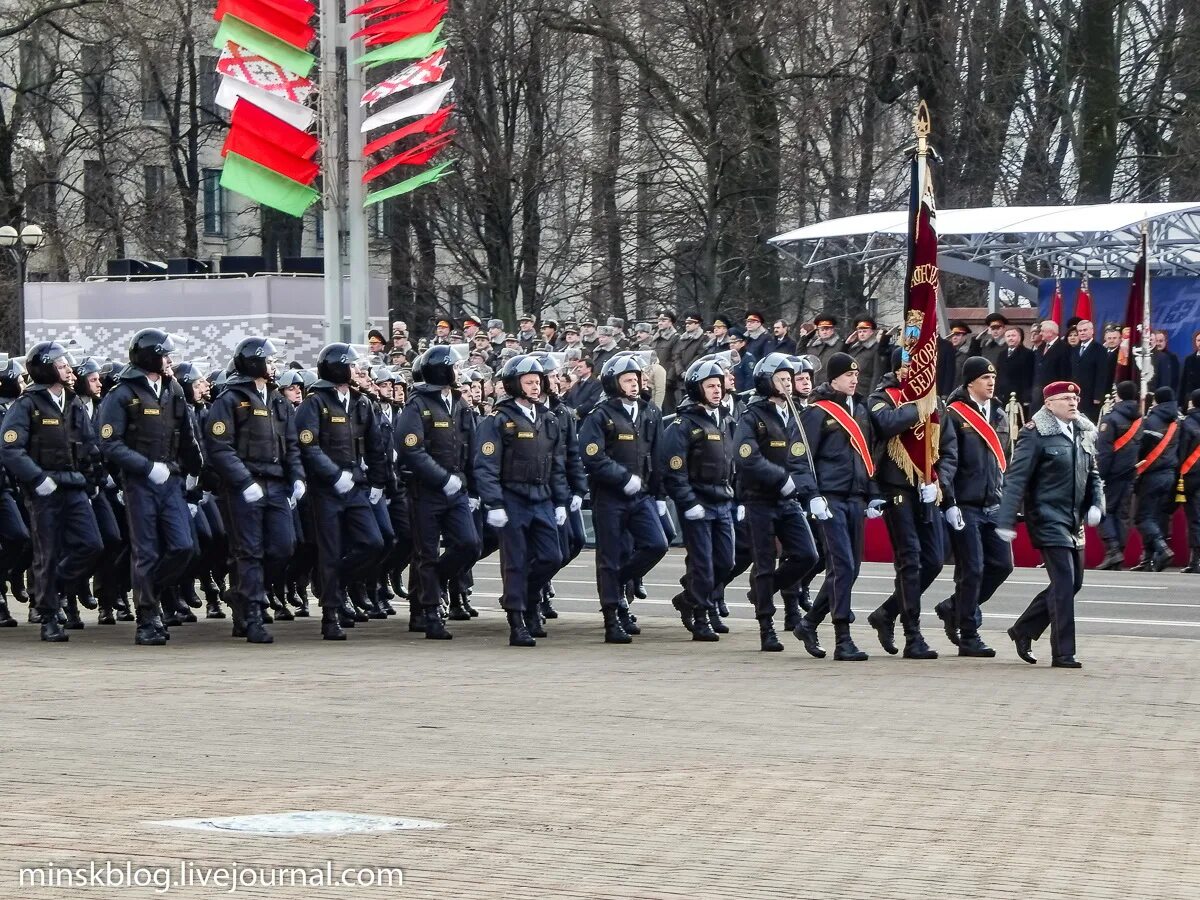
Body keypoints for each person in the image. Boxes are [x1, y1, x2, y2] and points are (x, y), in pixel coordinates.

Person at [99, 329, 204, 645]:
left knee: (184, 547)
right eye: (165, 354)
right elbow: (109, 443)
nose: (171, 360)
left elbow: (186, 434)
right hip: (140, 483)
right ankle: (147, 618)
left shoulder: (172, 389)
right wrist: (145, 467)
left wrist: (198, 472)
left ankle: (149, 593)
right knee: (146, 552)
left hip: (171, 481)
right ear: (150, 357)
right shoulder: (122, 394)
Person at [1, 342, 104, 642]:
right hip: (44, 490)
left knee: (92, 545)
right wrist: (35, 478)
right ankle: (49, 617)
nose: (68, 369)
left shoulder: (71, 403)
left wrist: (92, 479)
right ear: (46, 369)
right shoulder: (27, 404)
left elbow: (89, 444)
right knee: (47, 552)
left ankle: (52, 586)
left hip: (73, 486)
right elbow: (10, 448)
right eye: (60, 365)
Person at [997, 381, 1103, 668]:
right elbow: (1016, 479)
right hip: (1046, 517)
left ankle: (1023, 629)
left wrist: (1097, 503)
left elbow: (1092, 472)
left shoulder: (1083, 430)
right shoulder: (1035, 434)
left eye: (1075, 397)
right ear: (1048, 404)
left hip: (1073, 519)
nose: (1073, 402)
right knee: (1064, 582)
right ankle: (1064, 653)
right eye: (1065, 398)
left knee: (1074, 583)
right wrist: (1006, 519)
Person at [204, 338, 303, 644]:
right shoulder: (231, 399)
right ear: (254, 362)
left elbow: (292, 445)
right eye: (269, 360)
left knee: (282, 548)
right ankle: (253, 615)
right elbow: (219, 447)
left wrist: (297, 477)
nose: (274, 365)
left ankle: (240, 595)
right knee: (248, 552)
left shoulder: (277, 400)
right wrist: (244, 481)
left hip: (276, 486)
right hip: (245, 487)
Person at [863, 348, 957, 659]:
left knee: (933, 560)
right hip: (894, 487)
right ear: (897, 369)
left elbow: (948, 448)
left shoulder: (935, 400)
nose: (916, 371)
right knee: (910, 560)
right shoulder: (881, 397)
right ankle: (913, 634)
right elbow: (886, 425)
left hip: (925, 488)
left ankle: (887, 612)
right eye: (909, 366)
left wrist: (939, 482)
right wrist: (918, 407)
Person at [294, 343, 388, 640]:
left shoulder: (362, 403)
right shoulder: (315, 403)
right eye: (352, 365)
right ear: (337, 368)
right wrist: (333, 476)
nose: (358, 370)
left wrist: (378, 481)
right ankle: (331, 614)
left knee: (373, 543)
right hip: (326, 490)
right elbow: (308, 445)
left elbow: (375, 446)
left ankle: (332, 584)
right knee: (331, 551)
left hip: (356, 487)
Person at [474, 355, 569, 647]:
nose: (535, 386)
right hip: (512, 498)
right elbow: (486, 464)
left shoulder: (548, 418)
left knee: (553, 556)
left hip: (541, 498)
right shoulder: (498, 420)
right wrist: (494, 503)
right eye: (528, 382)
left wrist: (562, 500)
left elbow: (557, 463)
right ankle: (517, 620)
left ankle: (527, 596)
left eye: (538, 381)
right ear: (514, 384)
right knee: (514, 561)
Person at [793, 352, 881, 661]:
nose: (854, 379)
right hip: (829, 498)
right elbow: (799, 458)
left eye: (856, 375)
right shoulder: (816, 413)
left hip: (855, 497)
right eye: (848, 376)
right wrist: (811, 495)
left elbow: (865, 456)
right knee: (841, 565)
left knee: (851, 569)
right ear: (833, 380)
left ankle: (809, 623)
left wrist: (872, 494)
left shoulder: (858, 410)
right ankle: (842, 637)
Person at [731, 353, 822, 651]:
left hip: (790, 500)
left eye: (788, 379)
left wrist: (809, 491)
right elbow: (746, 456)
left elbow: (802, 456)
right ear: (766, 381)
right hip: (760, 499)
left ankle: (763, 591)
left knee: (808, 555)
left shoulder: (796, 413)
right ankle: (766, 626)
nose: (787, 383)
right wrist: (779, 479)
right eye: (780, 379)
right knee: (765, 562)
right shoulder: (753, 415)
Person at [579, 354, 668, 643]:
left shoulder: (649, 412)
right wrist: (622, 478)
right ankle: (611, 617)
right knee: (609, 556)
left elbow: (656, 454)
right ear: (614, 383)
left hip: (641, 496)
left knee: (657, 544)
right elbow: (593, 456)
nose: (634, 384)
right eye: (628, 380)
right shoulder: (600, 415)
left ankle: (616, 584)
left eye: (637, 379)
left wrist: (659, 492)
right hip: (610, 497)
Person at [395, 345, 482, 639]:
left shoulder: (459, 404)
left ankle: (433, 584)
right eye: (454, 367)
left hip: (457, 491)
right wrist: (442, 479)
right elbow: (411, 449)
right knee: (426, 553)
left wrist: (472, 488)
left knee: (469, 545)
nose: (459, 372)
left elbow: (470, 449)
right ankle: (429, 613)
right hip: (427, 491)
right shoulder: (417, 405)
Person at [933, 357, 1013, 656]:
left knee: (1003, 566)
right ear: (969, 383)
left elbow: (1005, 460)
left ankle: (953, 607)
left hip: (993, 503)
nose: (991, 382)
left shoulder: (1000, 415)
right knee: (973, 569)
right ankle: (968, 633)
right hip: (965, 503)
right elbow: (947, 460)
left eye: (993, 378)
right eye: (984, 378)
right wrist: (949, 500)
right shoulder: (954, 415)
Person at [660, 358, 737, 643]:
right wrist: (687, 501)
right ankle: (701, 614)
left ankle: (687, 598)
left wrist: (735, 498)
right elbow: (673, 468)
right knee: (702, 564)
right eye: (710, 386)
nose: (717, 391)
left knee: (725, 563)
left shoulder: (726, 419)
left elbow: (731, 463)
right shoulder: (683, 424)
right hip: (698, 505)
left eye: (719, 385)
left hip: (723, 502)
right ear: (697, 388)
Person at [1131, 386, 1179, 572]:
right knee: (1156, 517)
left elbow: (1141, 449)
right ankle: (1148, 559)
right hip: (1170, 475)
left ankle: (1162, 548)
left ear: (1156, 400)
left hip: (1151, 475)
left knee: (1143, 518)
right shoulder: (1177, 420)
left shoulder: (1151, 421)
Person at [1095, 380, 1142, 570]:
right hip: (1131, 471)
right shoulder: (1139, 419)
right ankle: (1118, 552)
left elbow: (1104, 452)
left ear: (1119, 395)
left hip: (1112, 474)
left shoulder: (1111, 419)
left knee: (1103, 512)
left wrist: (1100, 474)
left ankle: (1113, 550)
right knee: (1122, 515)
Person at [0, 359, 31, 628]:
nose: (23, 383)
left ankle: (9, 575)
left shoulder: (19, 408)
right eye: (19, 379)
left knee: (20, 536)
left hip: (6, 487)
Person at [1070, 319, 1109, 423]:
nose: (1082, 333)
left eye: (1085, 330)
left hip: (1091, 396)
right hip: (1075, 395)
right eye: (1080, 331)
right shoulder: (1074, 349)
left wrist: (1098, 396)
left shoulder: (1100, 349)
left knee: (1089, 424)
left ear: (1092, 331)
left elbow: (1102, 374)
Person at [1031, 320, 1072, 414]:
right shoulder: (1041, 347)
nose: (1040, 333)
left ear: (1050, 332)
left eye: (1042, 331)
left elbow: (1065, 373)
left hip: (1054, 393)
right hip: (1038, 394)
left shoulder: (1064, 348)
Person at [843, 316, 889, 395]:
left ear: (872, 332)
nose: (862, 334)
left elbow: (877, 375)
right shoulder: (854, 348)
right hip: (851, 392)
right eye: (859, 332)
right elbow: (841, 361)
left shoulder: (876, 349)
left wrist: (872, 395)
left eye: (864, 331)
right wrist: (847, 344)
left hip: (864, 393)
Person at [995, 325, 1034, 415]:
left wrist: (1027, 397)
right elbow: (998, 374)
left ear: (1020, 337)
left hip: (1019, 396)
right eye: (1008, 336)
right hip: (1003, 396)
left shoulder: (1028, 354)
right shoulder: (1001, 354)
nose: (1010, 338)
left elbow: (1029, 376)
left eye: (1013, 335)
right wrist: (996, 393)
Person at [672, 313, 708, 403]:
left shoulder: (703, 338)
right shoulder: (682, 339)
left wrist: (688, 371)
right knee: (680, 403)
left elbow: (700, 356)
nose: (687, 325)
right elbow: (676, 356)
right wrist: (680, 371)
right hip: (681, 379)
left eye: (690, 323)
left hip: (694, 376)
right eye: (686, 323)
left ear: (697, 324)